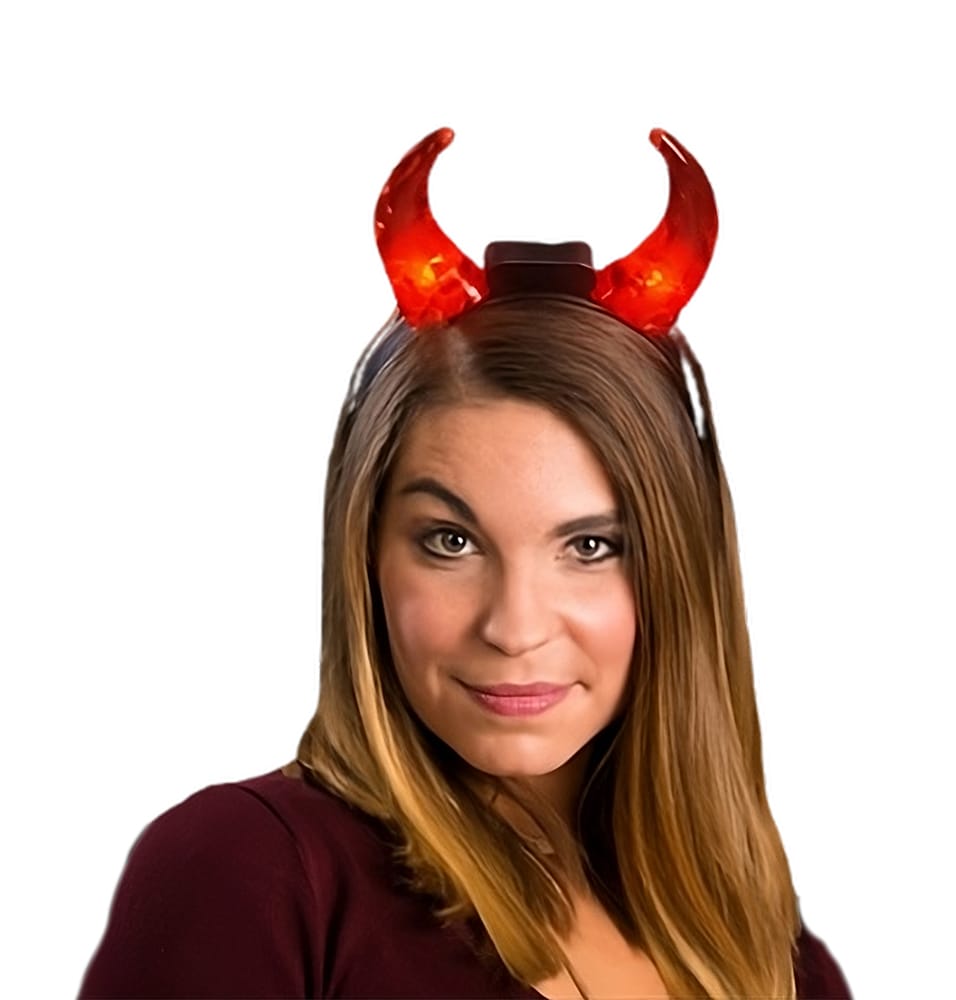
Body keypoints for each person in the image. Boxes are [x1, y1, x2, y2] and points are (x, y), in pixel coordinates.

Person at [79, 128, 852, 999]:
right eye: (452, 542)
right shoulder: (250, 873)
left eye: (589, 547)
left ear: (679, 575)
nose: (514, 628)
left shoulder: (771, 953)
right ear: (366, 557)